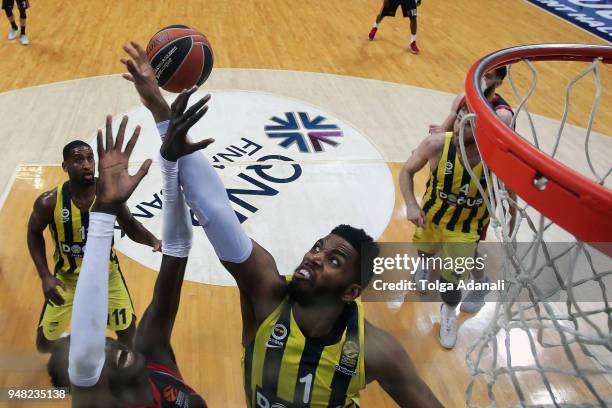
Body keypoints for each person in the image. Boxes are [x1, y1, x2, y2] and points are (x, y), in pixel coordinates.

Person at [122, 41, 443, 407]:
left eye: (334, 260)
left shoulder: (375, 351)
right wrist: (160, 112)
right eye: (319, 246)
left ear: (351, 292)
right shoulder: (266, 294)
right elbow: (215, 211)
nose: (315, 257)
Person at [47, 115, 208, 407]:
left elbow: (178, 250)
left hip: (102, 273)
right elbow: (87, 341)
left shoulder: (154, 351)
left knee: (127, 327)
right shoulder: (95, 401)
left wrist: (171, 165)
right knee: (46, 342)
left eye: (102, 340)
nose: (103, 342)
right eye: (92, 345)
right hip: (68, 277)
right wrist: (104, 212)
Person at [27, 138, 161, 353]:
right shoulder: (49, 201)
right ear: (65, 167)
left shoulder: (108, 192)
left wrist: (154, 241)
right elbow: (33, 232)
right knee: (44, 345)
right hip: (67, 279)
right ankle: (76, 344)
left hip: (107, 276)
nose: (87, 164)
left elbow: (130, 225)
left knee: (128, 336)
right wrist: (45, 275)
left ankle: (120, 374)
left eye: (90, 158)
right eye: (78, 160)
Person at [399, 102, 514, 349]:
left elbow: (511, 197)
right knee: (424, 251)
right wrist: (410, 204)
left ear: (486, 128)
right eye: (461, 115)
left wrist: (511, 226)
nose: (462, 122)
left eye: (471, 120)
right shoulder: (437, 144)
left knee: (450, 282)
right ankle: (425, 264)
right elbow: (406, 171)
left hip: (465, 228)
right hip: (431, 217)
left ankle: (448, 313)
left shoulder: (499, 158)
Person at [427, 66, 513, 315]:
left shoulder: (502, 114)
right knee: (440, 224)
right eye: (483, 73)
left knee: (468, 244)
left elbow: (496, 151)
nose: (483, 77)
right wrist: (429, 146)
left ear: (498, 81)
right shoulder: (463, 97)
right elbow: (446, 130)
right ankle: (439, 262)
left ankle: (481, 283)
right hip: (453, 168)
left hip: (479, 179)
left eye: (490, 75)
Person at [429, 66, 513, 134]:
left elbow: (491, 149)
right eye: (480, 74)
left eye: (487, 76)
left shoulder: (502, 115)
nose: (480, 80)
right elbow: (444, 131)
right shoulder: (462, 98)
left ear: (498, 83)